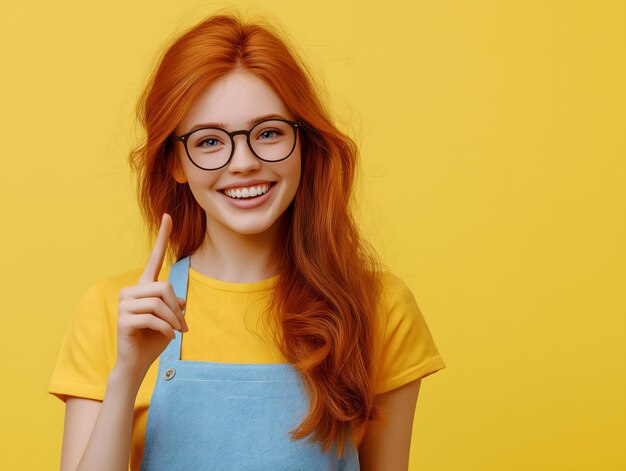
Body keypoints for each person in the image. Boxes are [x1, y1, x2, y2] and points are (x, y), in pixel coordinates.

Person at [47, 10, 446, 471]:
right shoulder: (114, 313)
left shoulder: (378, 309)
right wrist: (126, 376)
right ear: (176, 163)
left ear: (305, 144)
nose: (243, 163)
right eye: (210, 141)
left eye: (269, 133)